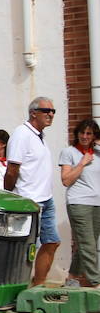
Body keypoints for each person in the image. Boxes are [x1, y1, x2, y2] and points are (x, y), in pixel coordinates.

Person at [5, 97, 59, 286]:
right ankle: (17, 286)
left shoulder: (39, 136)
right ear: (33, 112)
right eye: (46, 110)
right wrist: (9, 196)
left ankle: (39, 285)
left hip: (47, 199)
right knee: (26, 248)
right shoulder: (22, 134)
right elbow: (12, 169)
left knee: (52, 242)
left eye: (53, 111)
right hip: (29, 200)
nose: (51, 114)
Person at [59, 118, 100, 288]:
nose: (84, 136)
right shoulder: (69, 152)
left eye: (89, 133)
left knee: (86, 244)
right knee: (88, 245)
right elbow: (66, 180)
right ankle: (97, 284)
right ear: (76, 134)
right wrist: (82, 163)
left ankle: (71, 279)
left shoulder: (97, 153)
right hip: (79, 202)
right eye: (82, 132)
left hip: (96, 204)